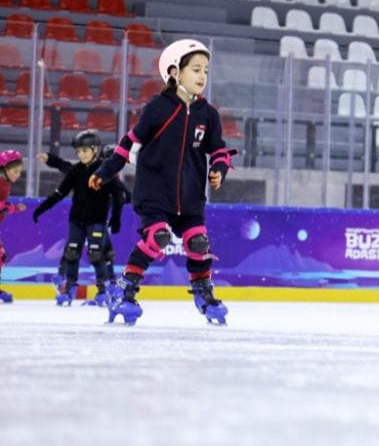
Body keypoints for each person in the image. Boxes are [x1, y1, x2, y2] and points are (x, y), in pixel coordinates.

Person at [90, 39, 236, 326]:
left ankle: (203, 292)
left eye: (205, 70)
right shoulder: (158, 107)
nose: (202, 76)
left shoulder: (208, 114)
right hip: (155, 193)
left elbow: (218, 149)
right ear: (173, 72)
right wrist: (106, 171)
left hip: (191, 196)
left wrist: (220, 168)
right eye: (195, 69)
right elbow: (129, 142)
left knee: (198, 242)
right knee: (158, 237)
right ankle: (124, 290)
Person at [33, 130, 129, 307]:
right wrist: (41, 209)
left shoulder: (104, 171)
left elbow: (118, 195)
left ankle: (103, 290)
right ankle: (70, 289)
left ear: (96, 150)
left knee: (96, 254)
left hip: (97, 221)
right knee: (71, 253)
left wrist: (116, 219)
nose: (81, 154)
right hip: (76, 220)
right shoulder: (76, 171)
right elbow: (59, 193)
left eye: (85, 150)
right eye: (78, 151)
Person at [0, 149, 28, 303]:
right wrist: (12, 207)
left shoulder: (5, 183)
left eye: (20, 171)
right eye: (15, 171)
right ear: (5, 168)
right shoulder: (1, 183)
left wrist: (11, 207)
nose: (18, 175)